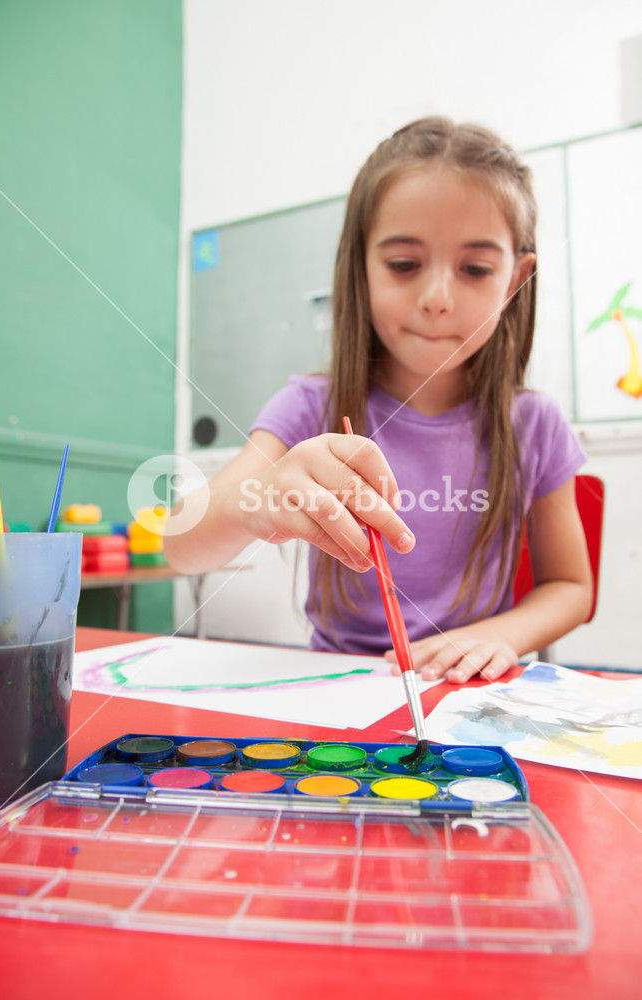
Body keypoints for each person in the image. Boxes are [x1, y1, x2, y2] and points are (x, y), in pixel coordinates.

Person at [165, 116, 592, 684]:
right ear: (359, 266)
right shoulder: (308, 407)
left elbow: (571, 586)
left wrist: (501, 635)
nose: (437, 298)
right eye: (404, 264)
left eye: (476, 269)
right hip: (333, 691)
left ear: (516, 278)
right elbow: (179, 545)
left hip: (465, 692)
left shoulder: (534, 423)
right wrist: (255, 501)